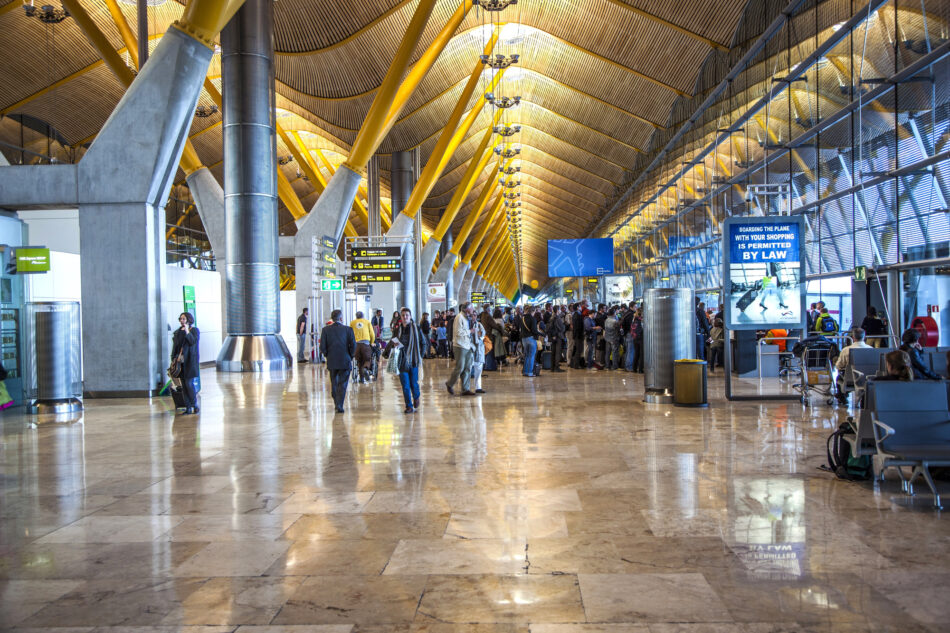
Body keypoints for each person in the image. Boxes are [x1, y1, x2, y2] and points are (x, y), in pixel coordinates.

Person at [319, 309, 356, 413]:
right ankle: (339, 405)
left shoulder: (325, 330)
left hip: (332, 360)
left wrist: (327, 355)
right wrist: (351, 355)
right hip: (345, 359)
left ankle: (336, 401)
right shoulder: (348, 329)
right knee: (343, 383)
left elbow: (322, 346)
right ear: (341, 318)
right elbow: (353, 345)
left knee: (334, 381)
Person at [392, 307, 424, 412]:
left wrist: (420, 356)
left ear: (410, 317)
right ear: (401, 317)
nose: (405, 317)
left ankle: (416, 396)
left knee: (413, 383)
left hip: (413, 360)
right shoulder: (397, 329)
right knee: (405, 385)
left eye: (407, 315)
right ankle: (408, 406)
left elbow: (423, 343)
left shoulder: (416, 328)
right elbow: (393, 341)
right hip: (402, 360)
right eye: (403, 315)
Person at [171, 312, 200, 415]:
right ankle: (187, 407)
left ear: (188, 320)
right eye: (180, 319)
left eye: (183, 319)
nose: (181, 321)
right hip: (180, 362)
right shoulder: (177, 332)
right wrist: (173, 359)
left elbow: (192, 342)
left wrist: (187, 331)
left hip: (190, 362)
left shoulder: (194, 331)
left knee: (189, 383)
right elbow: (175, 347)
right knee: (183, 385)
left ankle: (194, 404)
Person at [834, 327, 873, 404]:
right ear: (864, 337)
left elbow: (838, 366)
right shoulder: (871, 349)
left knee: (839, 378)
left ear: (853, 337)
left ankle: (842, 396)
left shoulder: (846, 350)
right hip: (867, 379)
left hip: (849, 379)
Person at [446, 302, 476, 395]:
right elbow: (458, 332)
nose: (473, 310)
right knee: (460, 367)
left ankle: (465, 389)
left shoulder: (467, 318)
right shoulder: (459, 317)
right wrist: (470, 331)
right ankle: (450, 383)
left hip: (467, 345)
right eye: (472, 308)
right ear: (467, 309)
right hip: (459, 346)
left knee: (467, 368)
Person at [350, 311, 375, 383]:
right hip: (365, 344)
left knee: (359, 361)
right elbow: (372, 334)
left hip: (356, 345)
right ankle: (365, 368)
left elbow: (350, 333)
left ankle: (361, 378)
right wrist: (371, 342)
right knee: (367, 359)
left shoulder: (352, 323)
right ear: (363, 316)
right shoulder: (367, 322)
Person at [521, 305, 541, 377]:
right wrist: (542, 334)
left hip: (524, 339)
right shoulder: (533, 319)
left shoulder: (522, 318)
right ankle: (530, 372)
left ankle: (525, 371)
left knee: (526, 356)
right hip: (531, 339)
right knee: (531, 356)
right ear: (533, 311)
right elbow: (534, 331)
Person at [471, 316, 487, 394]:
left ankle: (478, 387)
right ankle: (465, 388)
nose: (473, 317)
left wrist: (479, 334)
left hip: (479, 349)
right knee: (467, 369)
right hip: (469, 349)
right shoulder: (466, 324)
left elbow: (482, 333)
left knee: (479, 368)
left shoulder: (479, 325)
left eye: (474, 315)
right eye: (471, 315)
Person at [550, 305, 566, 372]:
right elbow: (562, 328)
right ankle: (556, 367)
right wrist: (564, 325)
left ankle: (552, 367)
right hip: (558, 336)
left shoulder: (551, 317)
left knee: (553, 352)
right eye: (559, 310)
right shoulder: (558, 318)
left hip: (553, 337)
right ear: (557, 310)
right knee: (557, 352)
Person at [570, 303, 585, 369]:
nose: (581, 308)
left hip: (577, 335)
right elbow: (578, 327)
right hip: (578, 335)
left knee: (577, 349)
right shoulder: (578, 315)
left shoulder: (575, 314)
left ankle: (575, 364)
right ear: (578, 307)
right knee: (578, 350)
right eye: (580, 306)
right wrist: (579, 335)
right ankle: (576, 365)